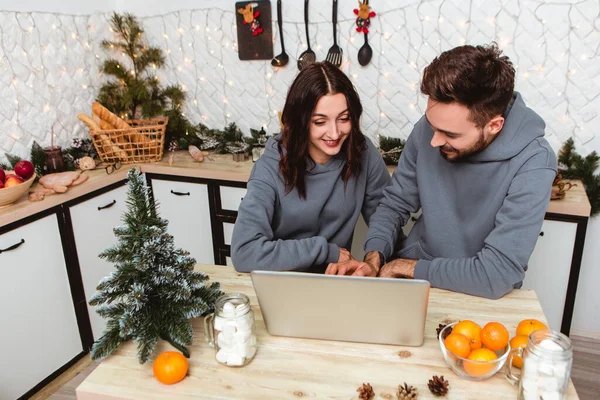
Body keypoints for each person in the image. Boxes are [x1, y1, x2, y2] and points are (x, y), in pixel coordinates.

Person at [326, 44, 557, 299]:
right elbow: (394, 204)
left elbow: (496, 273)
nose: (434, 141)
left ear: (494, 125)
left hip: (478, 291)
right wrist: (375, 257)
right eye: (432, 125)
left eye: (450, 134)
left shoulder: (534, 161)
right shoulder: (431, 128)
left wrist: (406, 267)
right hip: (413, 278)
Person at [231, 62, 390, 273]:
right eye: (319, 122)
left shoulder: (363, 152)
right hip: (281, 284)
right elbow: (245, 252)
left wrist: (374, 259)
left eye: (343, 119)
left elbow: (385, 216)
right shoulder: (270, 166)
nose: (334, 133)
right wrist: (325, 251)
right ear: (301, 121)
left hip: (336, 283)